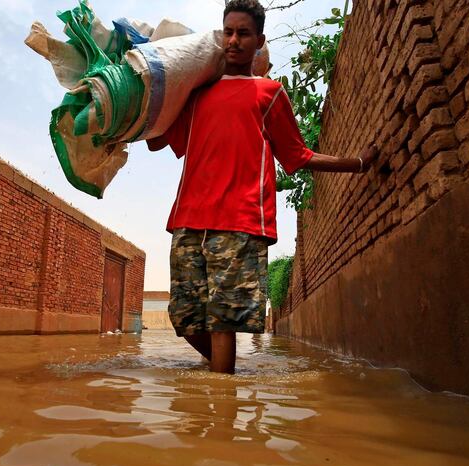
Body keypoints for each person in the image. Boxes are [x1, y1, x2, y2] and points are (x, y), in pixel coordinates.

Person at [147, 0, 377, 374]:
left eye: (243, 33)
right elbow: (158, 140)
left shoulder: (269, 94)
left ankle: (223, 408)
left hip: (241, 219)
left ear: (259, 41)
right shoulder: (197, 93)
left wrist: (358, 163)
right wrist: (136, 105)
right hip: (188, 219)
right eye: (228, 32)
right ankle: (223, 376)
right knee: (184, 318)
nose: (234, 40)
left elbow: (298, 156)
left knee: (223, 322)